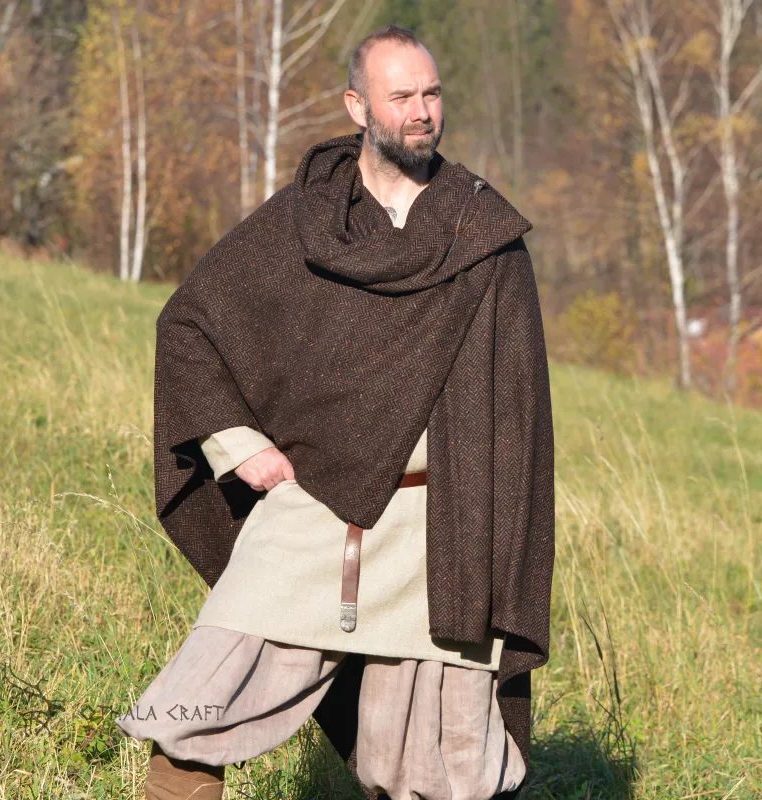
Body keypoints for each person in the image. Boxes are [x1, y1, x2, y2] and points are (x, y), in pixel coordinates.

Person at [116, 24, 555, 800]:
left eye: (432, 94)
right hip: (309, 516)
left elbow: (518, 425)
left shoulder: (483, 239)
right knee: (192, 711)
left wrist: (500, 559)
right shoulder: (301, 224)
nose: (422, 112)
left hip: (437, 539)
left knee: (438, 772)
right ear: (358, 105)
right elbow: (189, 327)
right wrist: (238, 443)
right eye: (401, 96)